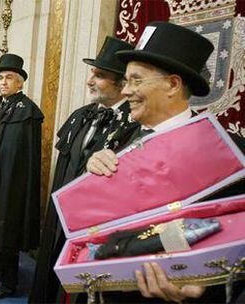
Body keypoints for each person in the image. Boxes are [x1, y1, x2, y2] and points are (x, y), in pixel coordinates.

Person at [86, 21, 245, 303]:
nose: (125, 91)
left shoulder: (231, 154)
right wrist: (93, 170)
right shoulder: (117, 141)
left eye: (136, 80)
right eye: (126, 81)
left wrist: (202, 291)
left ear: (172, 84)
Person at [29, 36, 139, 304]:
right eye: (92, 73)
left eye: (99, 76)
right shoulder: (80, 115)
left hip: (92, 228)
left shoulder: (133, 125)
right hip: (60, 221)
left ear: (122, 83)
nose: (90, 81)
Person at [0, 54, 44, 299]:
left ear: (20, 83)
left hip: (13, 183)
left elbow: (26, 156)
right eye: (0, 78)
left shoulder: (28, 111)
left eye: (9, 78)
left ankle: (8, 282)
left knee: (7, 231)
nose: (3, 82)